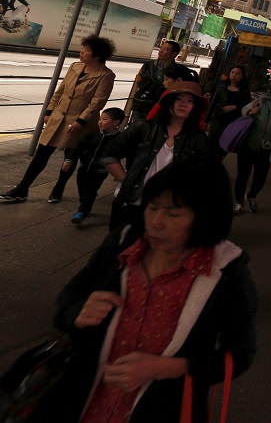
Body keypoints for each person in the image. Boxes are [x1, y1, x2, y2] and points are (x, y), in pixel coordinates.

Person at [33, 158, 257, 423]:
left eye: (174, 213)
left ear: (206, 217)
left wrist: (169, 367)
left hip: (160, 409)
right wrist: (77, 312)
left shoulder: (227, 273)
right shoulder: (122, 242)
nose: (156, 222)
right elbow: (69, 297)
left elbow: (240, 354)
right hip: (80, 401)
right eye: (152, 207)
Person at [1, 35, 116, 203]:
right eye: (83, 48)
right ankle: (22, 188)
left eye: (86, 50)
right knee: (41, 154)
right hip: (58, 118)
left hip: (79, 123)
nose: (82, 52)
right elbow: (60, 91)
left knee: (70, 158)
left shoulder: (105, 75)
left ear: (97, 56)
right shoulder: (75, 67)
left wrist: (80, 121)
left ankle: (58, 189)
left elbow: (96, 103)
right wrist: (49, 111)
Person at [100, 81, 212, 231]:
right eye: (179, 98)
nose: (184, 104)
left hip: (166, 213)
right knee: (119, 248)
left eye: (190, 101)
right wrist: (127, 180)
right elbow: (110, 153)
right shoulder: (144, 128)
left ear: (195, 107)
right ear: (169, 102)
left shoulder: (198, 139)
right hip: (130, 204)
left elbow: (204, 178)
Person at [47, 107, 125, 224]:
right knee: (82, 188)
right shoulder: (91, 133)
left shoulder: (120, 139)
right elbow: (77, 148)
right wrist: (69, 160)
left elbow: (121, 154)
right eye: (100, 119)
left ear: (116, 122)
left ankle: (82, 211)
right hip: (83, 168)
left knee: (91, 191)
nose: (100, 122)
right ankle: (84, 204)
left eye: (104, 119)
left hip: (100, 171)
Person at [233, 86, 271, 215]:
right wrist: (250, 112)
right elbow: (244, 111)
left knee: (260, 179)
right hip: (248, 146)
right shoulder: (260, 103)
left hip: (266, 151)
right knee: (242, 176)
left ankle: (251, 196)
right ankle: (238, 202)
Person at [130, 40, 180, 123]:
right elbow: (140, 80)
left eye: (166, 49)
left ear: (174, 54)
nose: (161, 51)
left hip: (162, 105)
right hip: (144, 102)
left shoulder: (177, 70)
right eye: (161, 48)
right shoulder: (148, 65)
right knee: (138, 127)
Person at [205, 64, 252, 154]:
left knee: (223, 148)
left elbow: (248, 107)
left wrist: (236, 106)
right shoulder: (221, 88)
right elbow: (212, 104)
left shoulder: (244, 91)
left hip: (232, 124)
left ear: (242, 76)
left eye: (237, 74)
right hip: (217, 121)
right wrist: (206, 120)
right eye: (232, 72)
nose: (234, 75)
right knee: (210, 146)